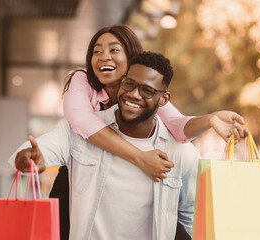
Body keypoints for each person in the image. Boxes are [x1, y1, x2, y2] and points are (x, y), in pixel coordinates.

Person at [51, 25, 246, 239]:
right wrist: (141, 158)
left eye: (114, 50)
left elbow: (178, 125)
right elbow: (80, 119)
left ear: (132, 59)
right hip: (81, 175)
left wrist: (210, 119)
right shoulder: (83, 80)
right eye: (97, 51)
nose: (104, 57)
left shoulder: (144, 91)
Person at [10, 51, 200, 239]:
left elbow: (188, 218)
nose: (134, 94)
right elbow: (33, 152)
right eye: (129, 84)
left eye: (147, 90)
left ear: (163, 99)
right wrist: (29, 158)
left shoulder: (181, 153)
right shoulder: (78, 132)